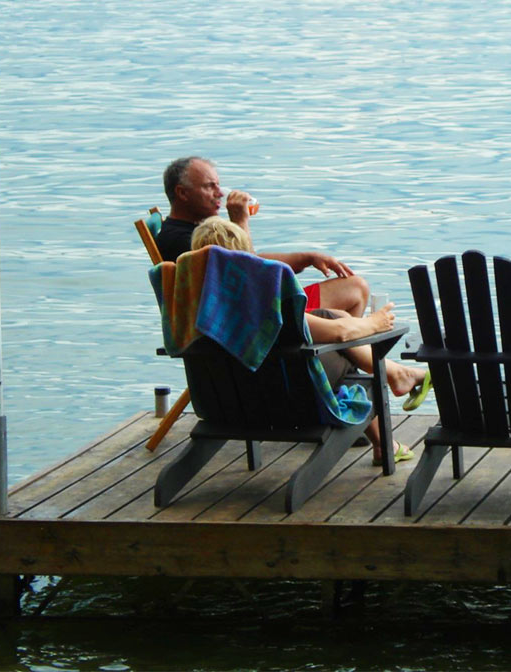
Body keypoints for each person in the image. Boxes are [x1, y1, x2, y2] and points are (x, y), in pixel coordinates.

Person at [190, 216, 424, 466]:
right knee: (344, 352)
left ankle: (397, 384)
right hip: (285, 404)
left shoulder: (192, 311)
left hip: (225, 404)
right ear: (246, 259)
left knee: (334, 319)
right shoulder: (265, 309)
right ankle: (394, 395)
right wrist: (375, 323)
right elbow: (340, 334)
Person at [159, 156, 369, 317]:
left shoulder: (194, 231)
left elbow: (252, 259)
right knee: (353, 294)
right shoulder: (181, 241)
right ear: (183, 193)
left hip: (257, 311)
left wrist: (307, 258)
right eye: (209, 186)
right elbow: (249, 274)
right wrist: (240, 222)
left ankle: (338, 362)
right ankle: (328, 365)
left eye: (218, 185)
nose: (220, 193)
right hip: (257, 321)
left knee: (355, 287)